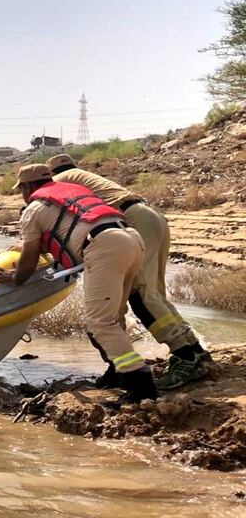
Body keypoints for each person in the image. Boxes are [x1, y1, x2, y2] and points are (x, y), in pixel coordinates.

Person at [0, 164, 157, 403]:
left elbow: (28, 259)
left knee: (100, 322)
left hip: (105, 247)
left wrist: (15, 278)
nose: (22, 194)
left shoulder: (34, 209)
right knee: (115, 315)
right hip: (131, 238)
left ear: (27, 187)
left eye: (22, 189)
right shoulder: (70, 193)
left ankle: (141, 385)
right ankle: (117, 372)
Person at [48, 154, 210, 390]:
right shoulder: (84, 177)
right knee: (153, 293)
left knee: (139, 294)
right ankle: (194, 349)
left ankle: (185, 358)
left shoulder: (60, 182)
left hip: (133, 221)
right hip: (150, 215)